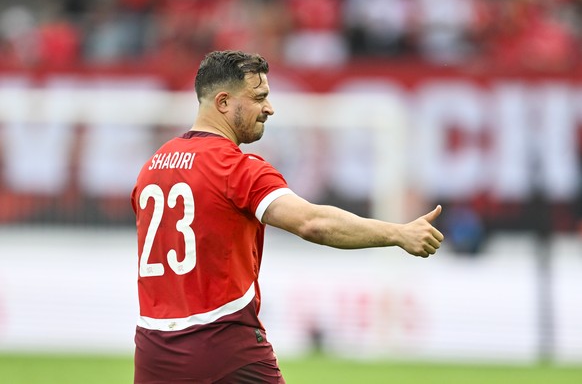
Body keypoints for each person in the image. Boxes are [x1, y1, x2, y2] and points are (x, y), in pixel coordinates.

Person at [131, 50, 444, 383]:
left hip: (153, 349)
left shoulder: (152, 167)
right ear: (223, 102)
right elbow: (312, 223)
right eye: (259, 97)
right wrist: (397, 233)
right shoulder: (236, 167)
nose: (269, 108)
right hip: (222, 343)